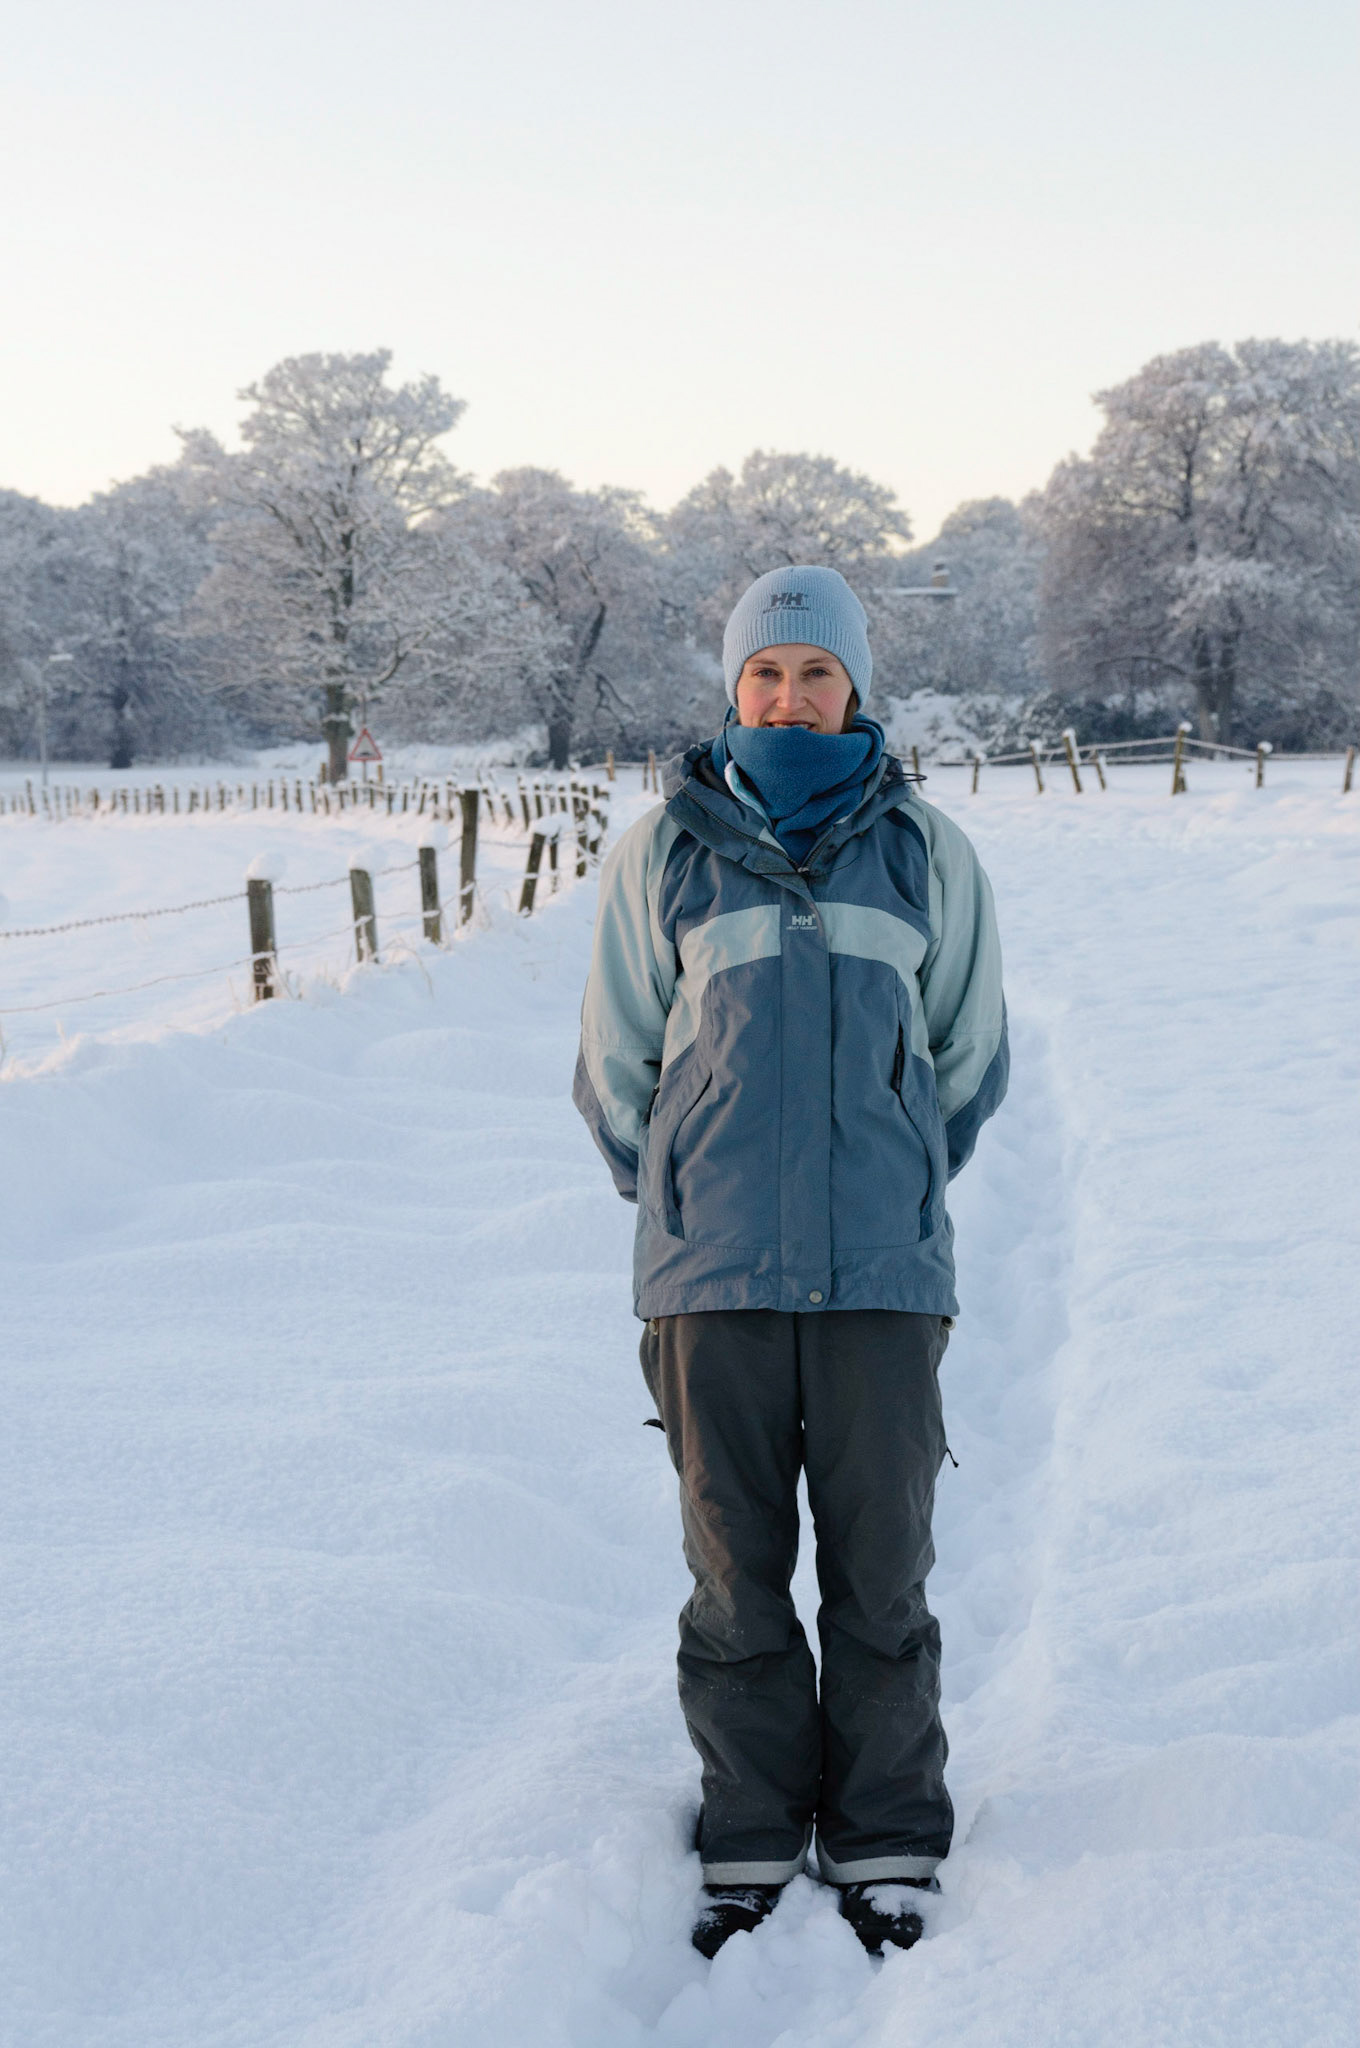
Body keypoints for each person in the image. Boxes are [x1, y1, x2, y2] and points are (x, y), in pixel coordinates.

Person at [573, 565, 1008, 1958]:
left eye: (816, 672)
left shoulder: (928, 852)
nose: (790, 693)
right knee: (735, 1572)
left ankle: (886, 1830)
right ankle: (751, 1825)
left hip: (883, 1279)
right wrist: (695, 1195)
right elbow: (617, 1066)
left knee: (883, 1571)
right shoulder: (665, 853)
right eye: (767, 671)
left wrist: (886, 1178)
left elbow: (967, 1059)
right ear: (733, 685)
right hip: (714, 1284)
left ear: (855, 689)